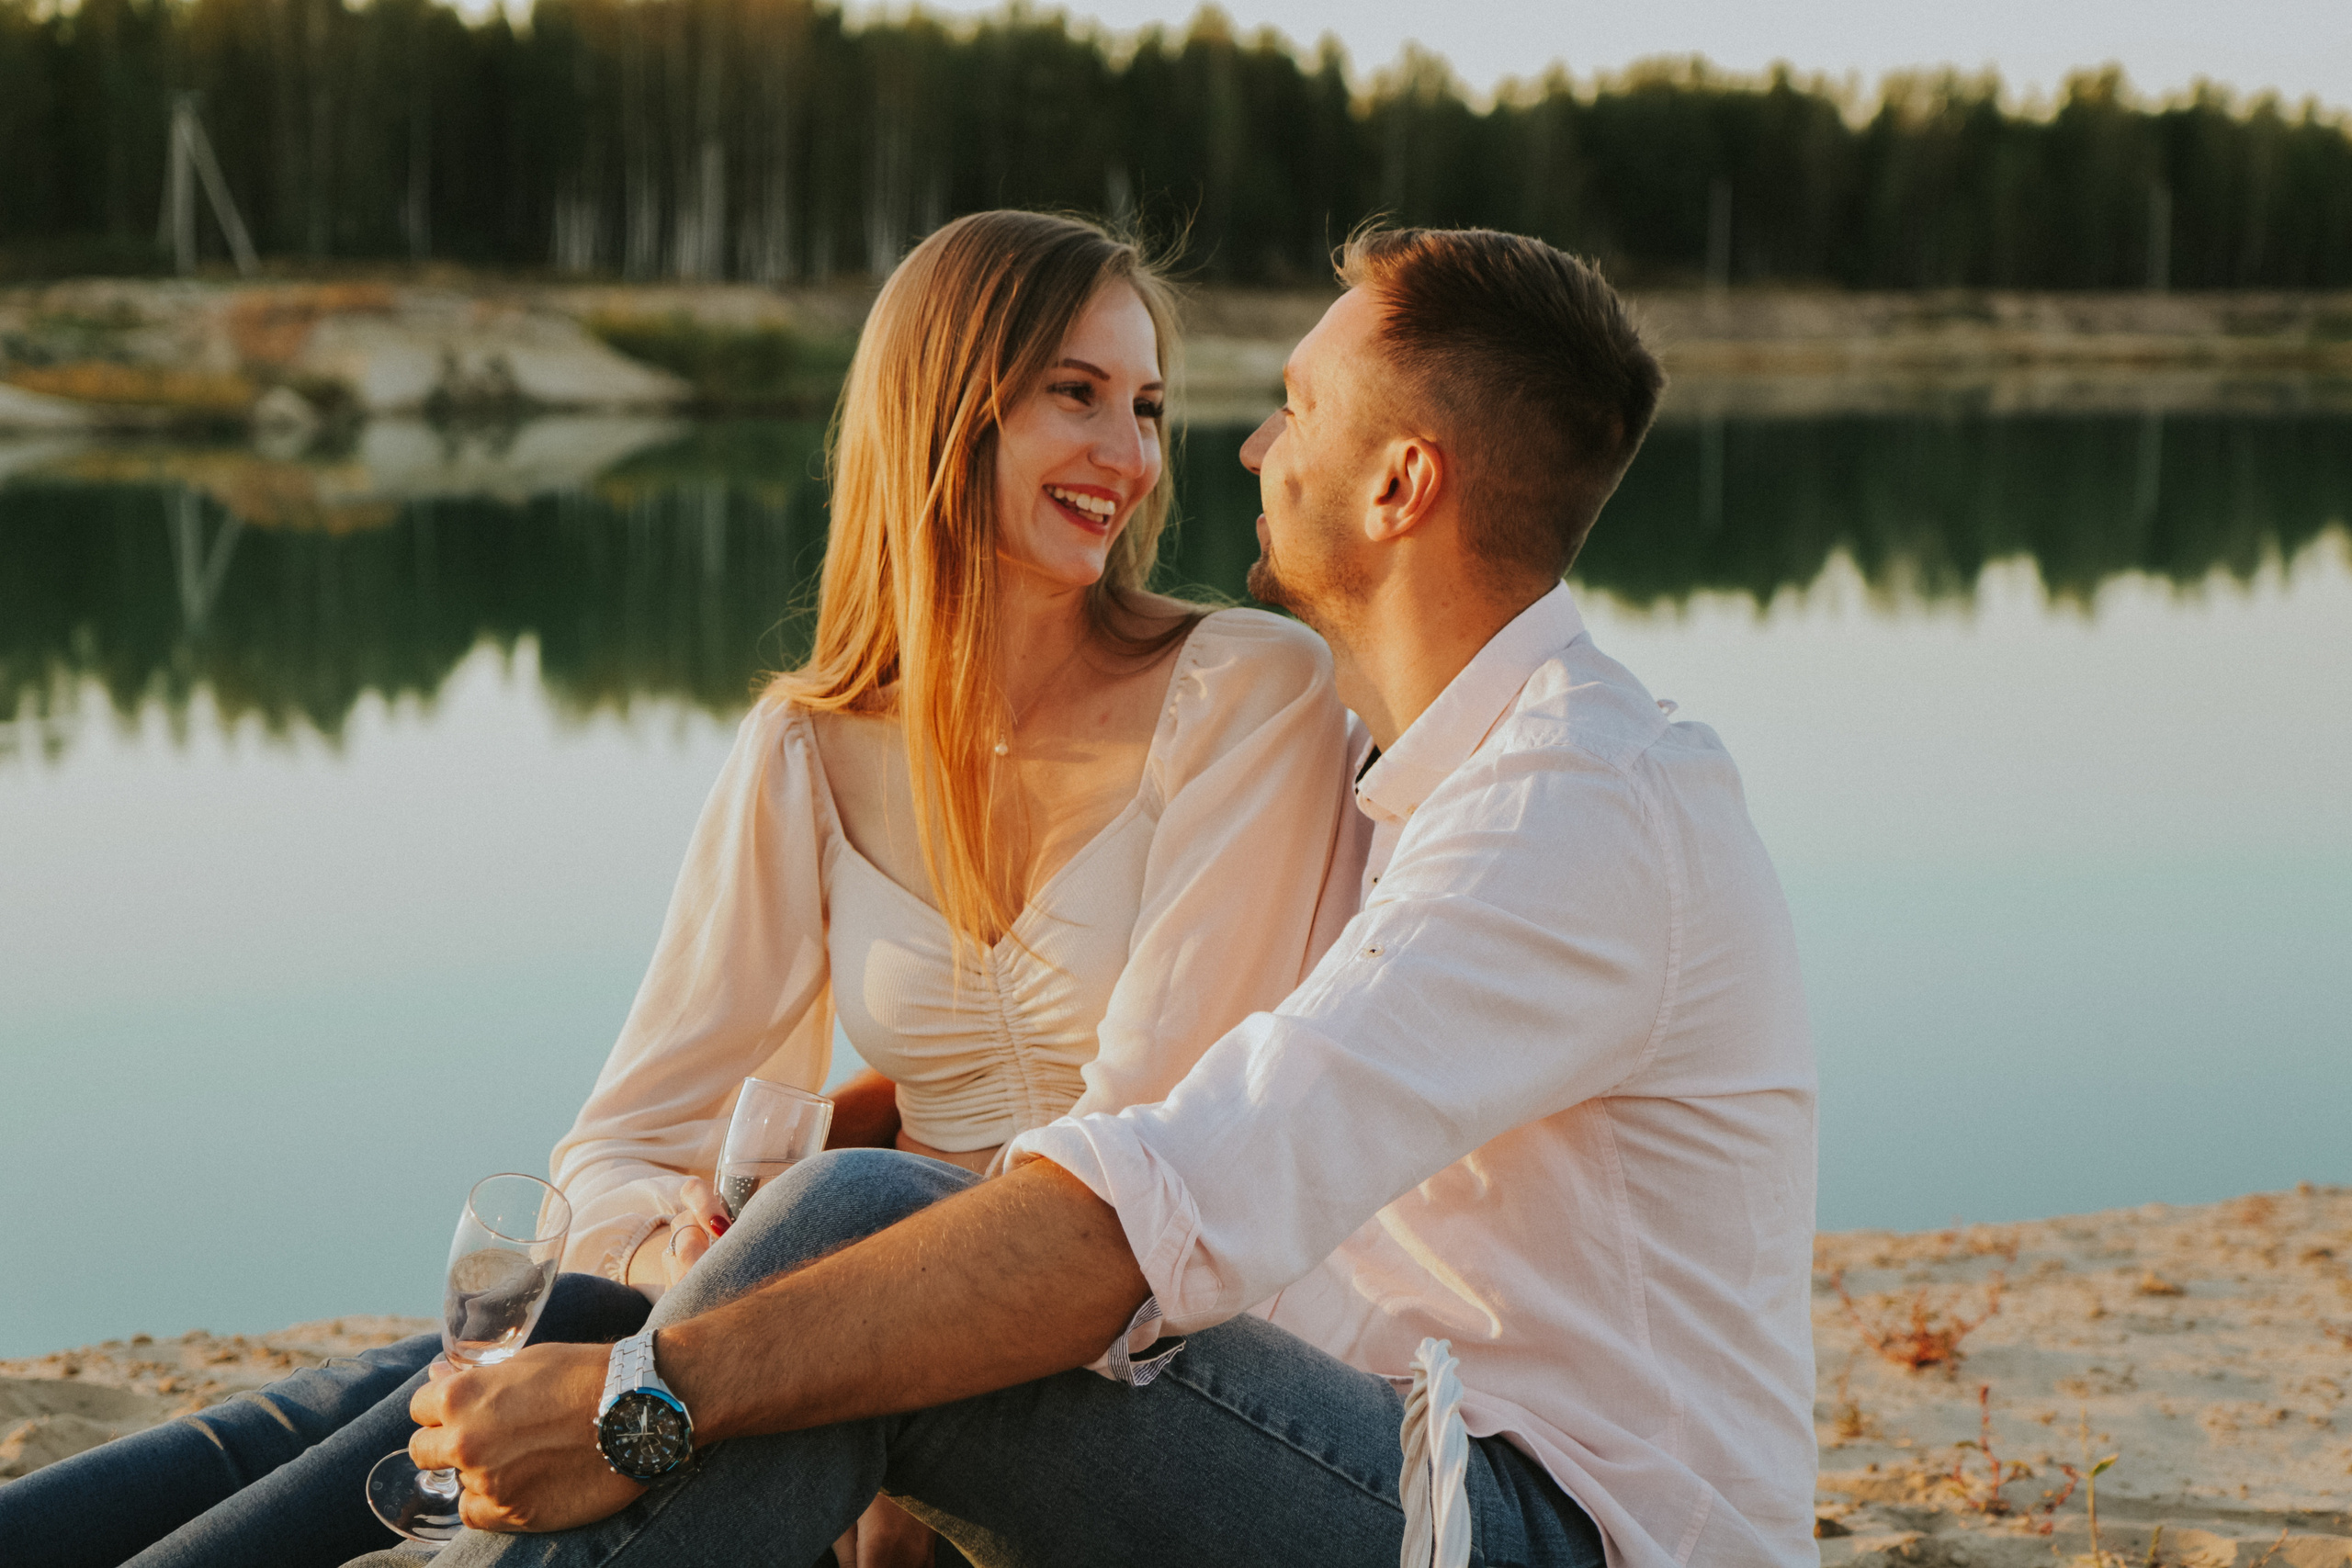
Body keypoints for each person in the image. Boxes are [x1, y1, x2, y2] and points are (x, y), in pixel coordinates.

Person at [369, 226, 1818, 1568]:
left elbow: (1149, 1209)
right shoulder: (1429, 779)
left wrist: (651, 1395)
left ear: (1400, 484)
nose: (1245, 448)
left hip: (1548, 1525)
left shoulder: (1572, 810)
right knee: (725, 1272)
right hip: (1389, 1444)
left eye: (1295, 410)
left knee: (850, 1239)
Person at [0, 209, 1355, 1568]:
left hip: (1130, 1354)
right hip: (860, 1314)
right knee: (551, 1320)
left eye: (1149, 405)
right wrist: (682, 1250)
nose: (1129, 457)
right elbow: (619, 1144)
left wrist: (776, 1294)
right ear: (946, 406)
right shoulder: (809, 748)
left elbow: (1148, 1151)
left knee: (664, 1325)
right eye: (1077, 394)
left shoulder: (1242, 691)